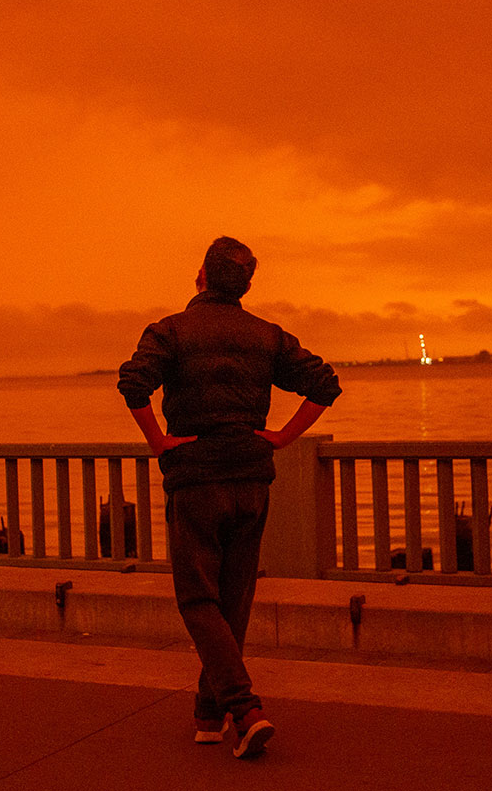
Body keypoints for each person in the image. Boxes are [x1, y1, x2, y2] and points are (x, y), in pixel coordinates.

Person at [118, 236, 341, 759]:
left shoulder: (170, 330)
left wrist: (158, 440)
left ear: (201, 276)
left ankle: (245, 709)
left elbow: (133, 384)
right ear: (245, 284)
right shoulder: (266, 335)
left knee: (198, 598)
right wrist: (283, 437)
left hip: (196, 477)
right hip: (251, 476)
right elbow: (326, 384)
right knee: (234, 599)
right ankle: (208, 713)